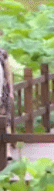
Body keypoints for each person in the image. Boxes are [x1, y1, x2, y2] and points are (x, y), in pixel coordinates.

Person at [0, 31, 13, 160]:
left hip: (2, 94)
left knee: (6, 122)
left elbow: (9, 74)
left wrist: (11, 91)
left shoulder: (3, 54)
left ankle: (8, 151)